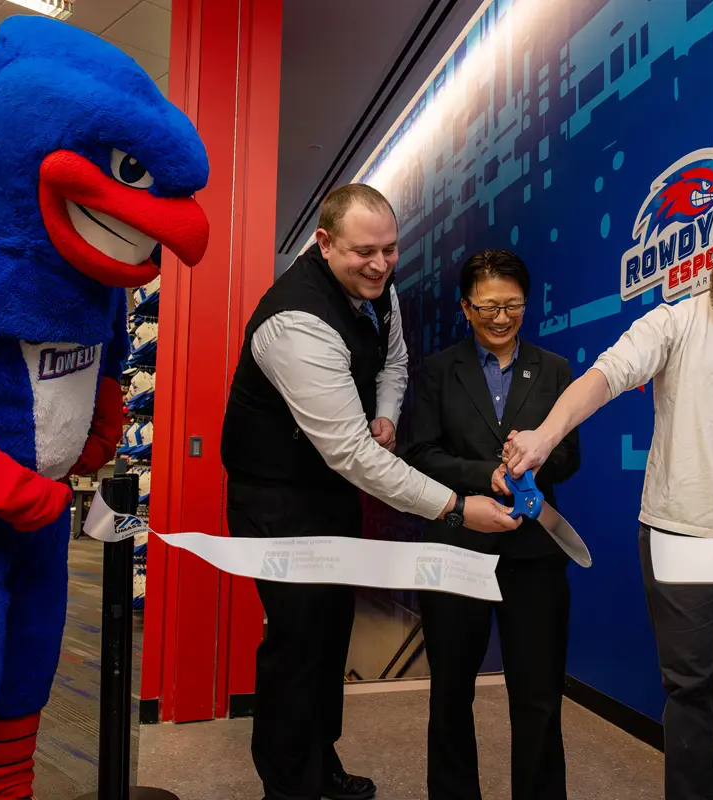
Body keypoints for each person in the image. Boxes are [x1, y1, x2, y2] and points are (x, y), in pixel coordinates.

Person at [503, 193, 713, 800]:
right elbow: (607, 375)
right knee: (688, 692)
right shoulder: (674, 321)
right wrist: (544, 436)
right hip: (674, 532)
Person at [219, 183, 521, 800]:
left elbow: (393, 362)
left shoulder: (377, 289)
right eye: (365, 252)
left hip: (328, 489)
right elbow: (352, 454)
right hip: (276, 498)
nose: (381, 265)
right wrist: (456, 507)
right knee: (296, 640)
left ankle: (320, 761)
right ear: (324, 243)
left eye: (389, 249)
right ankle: (290, 787)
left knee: (332, 634)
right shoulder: (295, 324)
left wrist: (384, 412)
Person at [401, 249, 581, 800]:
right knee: (451, 692)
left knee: (539, 694)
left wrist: (534, 460)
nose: (501, 318)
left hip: (534, 555)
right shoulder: (437, 372)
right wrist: (488, 474)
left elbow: (569, 456)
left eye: (513, 306)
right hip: (456, 546)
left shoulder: (555, 370)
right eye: (487, 307)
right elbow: (420, 454)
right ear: (465, 307)